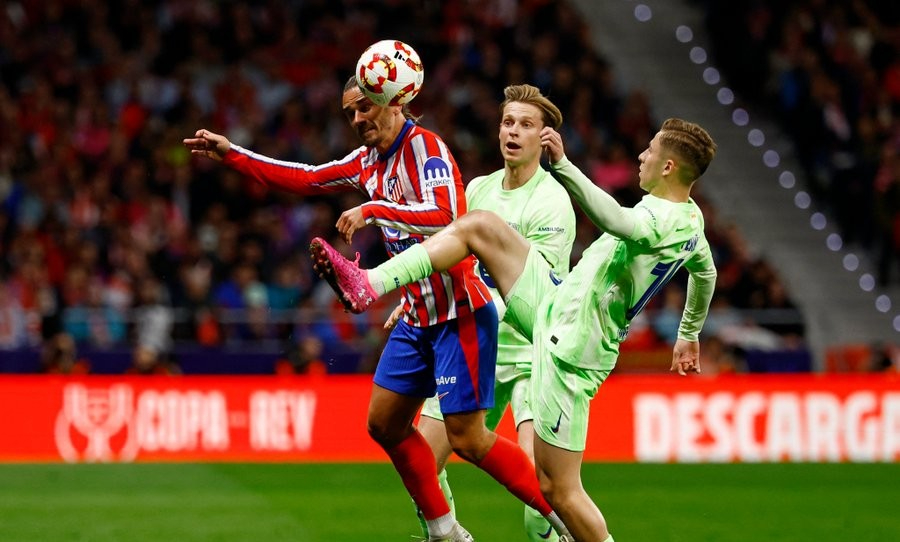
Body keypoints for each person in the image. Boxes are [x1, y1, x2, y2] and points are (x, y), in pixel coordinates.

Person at [185, 75, 568, 541]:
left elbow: (448, 218)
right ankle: (445, 532)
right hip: (415, 316)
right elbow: (307, 177)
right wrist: (234, 155)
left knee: (468, 438)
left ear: (393, 100)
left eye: (364, 108)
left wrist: (374, 209)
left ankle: (561, 516)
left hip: (459, 311)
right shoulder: (367, 161)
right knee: (384, 424)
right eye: (349, 112)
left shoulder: (426, 151)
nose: (357, 119)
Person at [310, 117, 719, 542]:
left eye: (650, 150)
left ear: (668, 167)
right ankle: (371, 283)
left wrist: (563, 166)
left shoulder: (660, 218)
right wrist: (688, 332)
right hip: (554, 304)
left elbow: (617, 221)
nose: (642, 156)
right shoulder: (691, 221)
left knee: (558, 490)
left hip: (573, 349)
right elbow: (705, 273)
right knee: (479, 226)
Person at [406, 84, 575, 542]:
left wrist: (473, 307)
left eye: (525, 124)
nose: (512, 132)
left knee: (543, 495)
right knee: (421, 463)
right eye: (507, 122)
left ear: (544, 137)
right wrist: (415, 297)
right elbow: (447, 259)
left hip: (531, 358)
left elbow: (535, 292)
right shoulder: (478, 189)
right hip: (476, 347)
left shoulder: (552, 202)